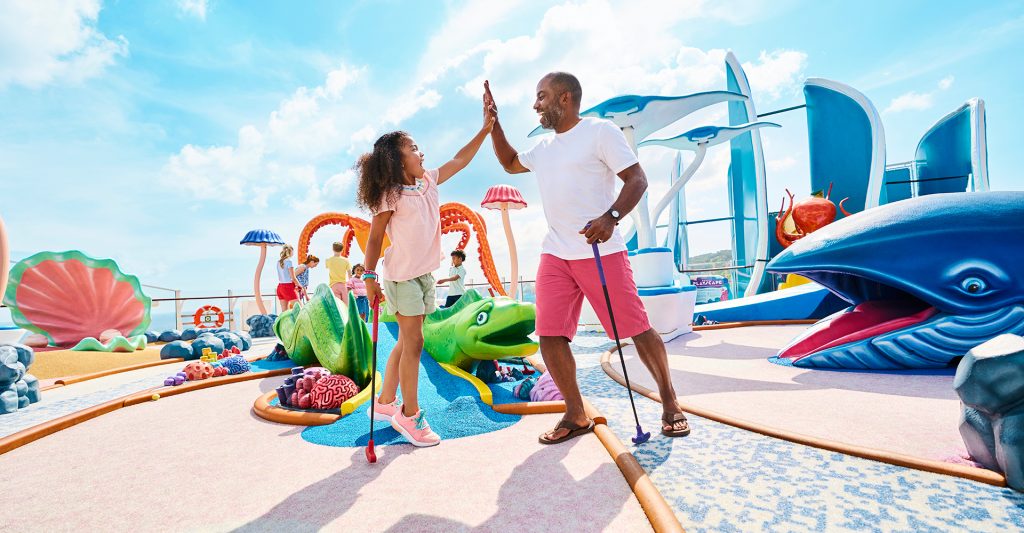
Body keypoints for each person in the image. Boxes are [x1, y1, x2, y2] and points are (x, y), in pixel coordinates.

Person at [484, 73, 691, 444]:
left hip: (601, 250)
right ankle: (575, 413)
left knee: (637, 328)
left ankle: (669, 400)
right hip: (555, 252)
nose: (535, 104)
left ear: (565, 98)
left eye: (542, 96)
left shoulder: (599, 132)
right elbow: (510, 162)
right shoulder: (544, 148)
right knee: (549, 334)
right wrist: (494, 124)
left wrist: (612, 217)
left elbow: (637, 179)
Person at [357, 108, 494, 447]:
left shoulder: (429, 181)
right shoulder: (390, 195)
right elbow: (375, 238)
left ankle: (385, 402)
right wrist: (370, 278)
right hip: (402, 277)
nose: (422, 152)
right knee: (415, 342)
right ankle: (410, 412)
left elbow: (460, 160)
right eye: (414, 148)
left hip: (424, 276)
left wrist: (485, 129)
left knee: (406, 341)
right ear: (397, 160)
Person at [275, 245, 301, 311]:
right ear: (291, 252)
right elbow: (293, 277)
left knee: (284, 312)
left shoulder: (278, 262)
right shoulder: (289, 262)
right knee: (300, 309)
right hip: (288, 287)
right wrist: (300, 286)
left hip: (280, 287)